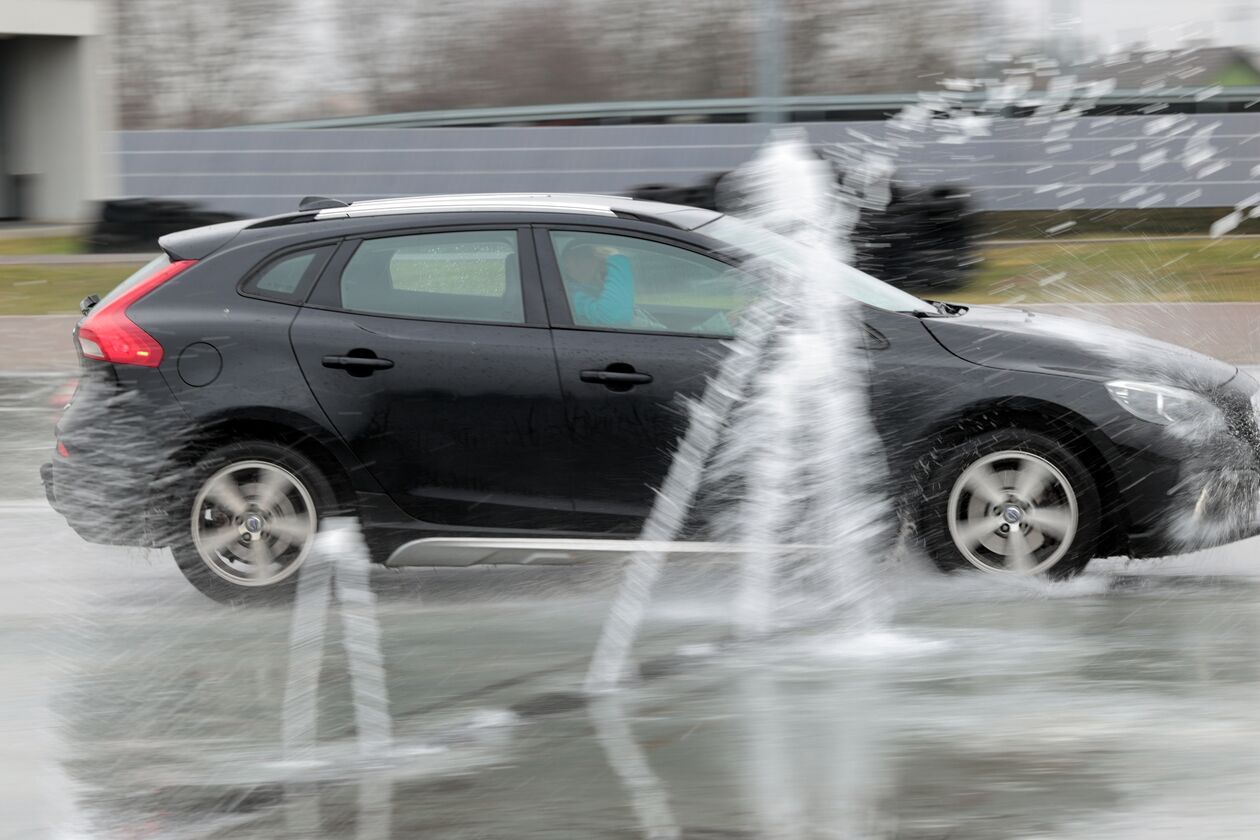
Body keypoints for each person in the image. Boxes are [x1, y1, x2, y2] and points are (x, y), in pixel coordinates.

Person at [560, 243, 635, 327]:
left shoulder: (591, 291)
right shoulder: (566, 296)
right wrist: (616, 258)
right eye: (587, 256)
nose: (601, 263)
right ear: (566, 264)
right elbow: (614, 318)